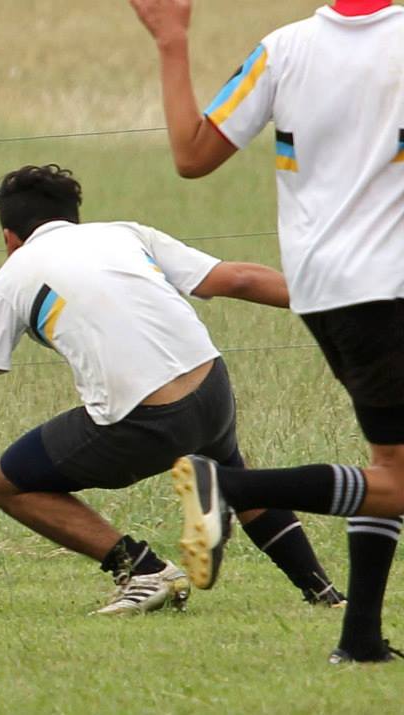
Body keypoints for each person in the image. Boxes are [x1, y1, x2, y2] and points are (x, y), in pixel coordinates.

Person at [0, 163, 342, 615]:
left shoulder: (12, 276)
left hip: (146, 420)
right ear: (72, 217)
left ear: (9, 238)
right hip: (212, 387)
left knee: (7, 482)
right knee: (230, 473)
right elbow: (238, 279)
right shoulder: (126, 233)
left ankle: (144, 571)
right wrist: (338, 302)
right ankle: (323, 593)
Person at [131, 0, 404, 661]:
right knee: (397, 479)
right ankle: (231, 488)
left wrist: (172, 42)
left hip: (321, 291)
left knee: (390, 466)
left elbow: (192, 154)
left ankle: (360, 639)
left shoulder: (282, 49)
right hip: (388, 287)